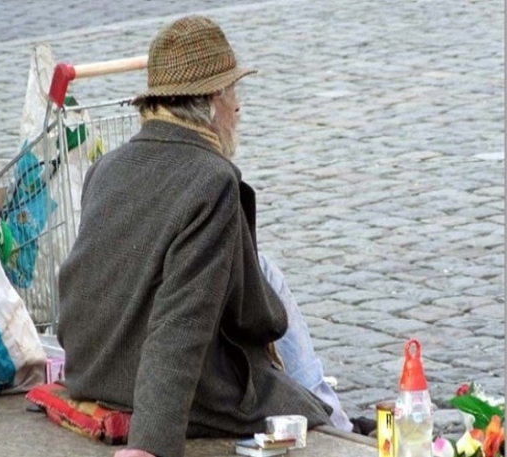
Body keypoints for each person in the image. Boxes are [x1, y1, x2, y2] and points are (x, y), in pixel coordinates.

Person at [57, 15, 366, 457]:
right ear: (213, 100)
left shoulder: (107, 168)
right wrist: (150, 445)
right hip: (164, 391)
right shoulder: (212, 179)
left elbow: (85, 284)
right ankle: (333, 419)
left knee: (263, 269)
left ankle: (334, 415)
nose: (238, 107)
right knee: (296, 400)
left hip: (94, 371)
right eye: (232, 92)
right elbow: (181, 319)